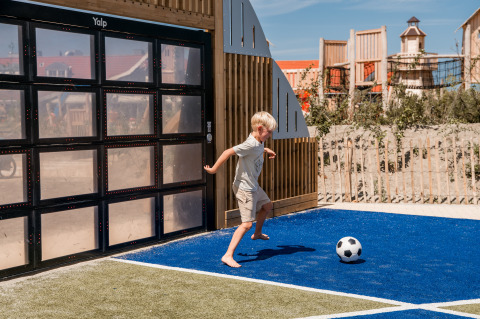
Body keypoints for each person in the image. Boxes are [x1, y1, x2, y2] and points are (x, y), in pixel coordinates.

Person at [204, 111, 277, 268]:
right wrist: (214, 170)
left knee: (267, 206)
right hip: (245, 188)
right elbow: (227, 152)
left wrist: (266, 150)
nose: (270, 135)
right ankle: (228, 255)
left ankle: (257, 234)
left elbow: (256, 149)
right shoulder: (250, 144)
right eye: (269, 132)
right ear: (259, 129)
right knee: (246, 224)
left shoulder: (258, 142)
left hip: (253, 185)